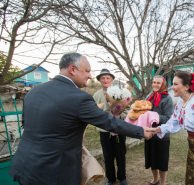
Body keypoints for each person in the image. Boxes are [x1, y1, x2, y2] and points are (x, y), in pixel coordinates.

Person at [9, 52, 154, 185]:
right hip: (55, 172)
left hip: (25, 165)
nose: (90, 76)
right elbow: (108, 122)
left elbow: (26, 124)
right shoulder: (78, 98)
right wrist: (140, 131)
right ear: (73, 69)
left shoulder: (34, 92)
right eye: (87, 71)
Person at [93, 69, 128, 185]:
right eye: (102, 78)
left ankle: (122, 177)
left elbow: (126, 108)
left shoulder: (121, 92)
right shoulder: (96, 95)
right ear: (99, 80)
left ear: (112, 79)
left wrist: (120, 113)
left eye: (107, 78)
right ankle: (111, 179)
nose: (105, 80)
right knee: (108, 156)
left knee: (121, 154)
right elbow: (94, 111)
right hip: (104, 130)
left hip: (119, 128)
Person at [145, 75, 173, 185]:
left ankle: (163, 183)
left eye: (158, 83)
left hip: (162, 134)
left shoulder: (167, 99)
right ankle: (155, 179)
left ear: (163, 85)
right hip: (149, 133)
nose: (155, 84)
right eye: (154, 82)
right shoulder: (149, 96)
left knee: (161, 161)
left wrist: (154, 116)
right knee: (152, 159)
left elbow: (168, 118)